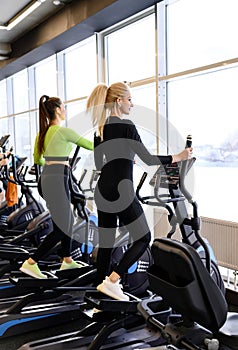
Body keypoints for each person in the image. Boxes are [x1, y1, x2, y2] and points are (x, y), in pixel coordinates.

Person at [86, 82, 193, 301]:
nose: (132, 104)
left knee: (106, 242)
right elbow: (149, 159)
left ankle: (100, 292)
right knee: (144, 237)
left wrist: (124, 157)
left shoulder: (101, 130)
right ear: (118, 101)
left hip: (103, 190)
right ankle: (113, 280)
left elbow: (100, 163)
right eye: (129, 100)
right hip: (121, 191)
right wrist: (179, 157)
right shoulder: (127, 126)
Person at [20, 95, 93, 279]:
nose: (65, 110)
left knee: (66, 222)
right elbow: (90, 145)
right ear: (58, 110)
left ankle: (67, 260)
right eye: (64, 107)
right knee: (63, 227)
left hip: (47, 179)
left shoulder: (42, 133)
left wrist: (54, 162)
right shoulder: (63, 132)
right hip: (58, 179)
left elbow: (38, 160)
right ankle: (31, 263)